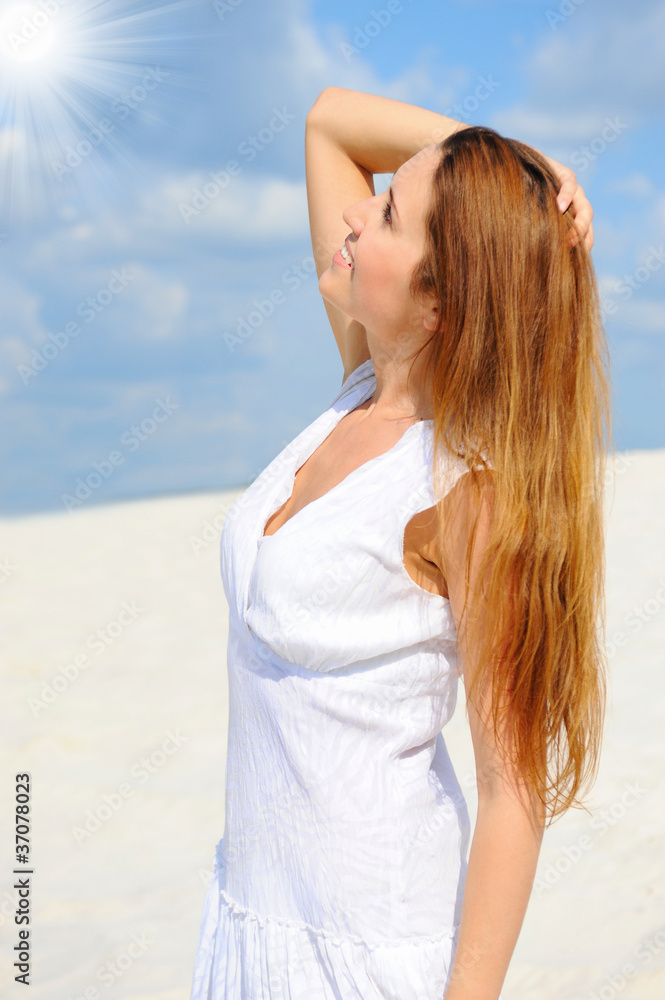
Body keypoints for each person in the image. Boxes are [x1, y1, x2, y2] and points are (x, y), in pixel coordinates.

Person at [189, 87, 610, 1000]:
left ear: (439, 300)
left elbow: (512, 794)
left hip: (367, 960)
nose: (352, 210)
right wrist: (511, 163)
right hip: (247, 928)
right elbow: (328, 121)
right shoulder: (357, 384)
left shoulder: (465, 492)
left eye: (385, 214)